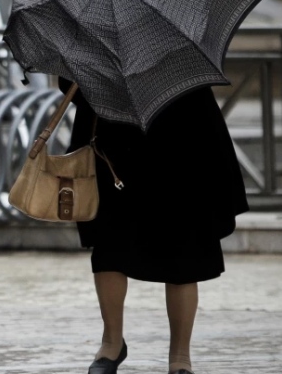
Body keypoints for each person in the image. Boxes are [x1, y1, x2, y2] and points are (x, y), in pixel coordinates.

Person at [57, 77, 248, 374]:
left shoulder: (177, 34)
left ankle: (180, 358)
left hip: (182, 132)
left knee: (185, 250)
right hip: (111, 142)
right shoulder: (91, 32)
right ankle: (111, 343)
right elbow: (69, 85)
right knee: (109, 245)